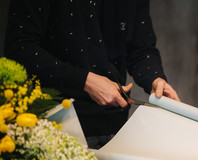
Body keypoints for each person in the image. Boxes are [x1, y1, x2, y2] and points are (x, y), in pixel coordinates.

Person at [5, 0, 180, 149]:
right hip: (53, 126)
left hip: (118, 129)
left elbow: (141, 49)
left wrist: (155, 79)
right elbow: (20, 48)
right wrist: (85, 80)